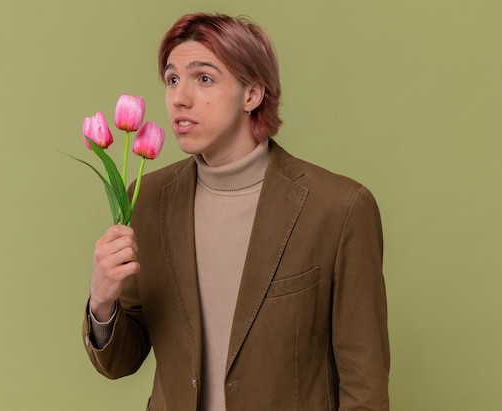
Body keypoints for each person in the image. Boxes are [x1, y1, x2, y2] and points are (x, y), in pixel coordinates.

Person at [82, 12, 390, 410]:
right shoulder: (146, 197)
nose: (179, 97)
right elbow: (121, 360)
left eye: (204, 78)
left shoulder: (339, 208)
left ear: (253, 94)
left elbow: (364, 384)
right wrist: (101, 303)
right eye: (172, 78)